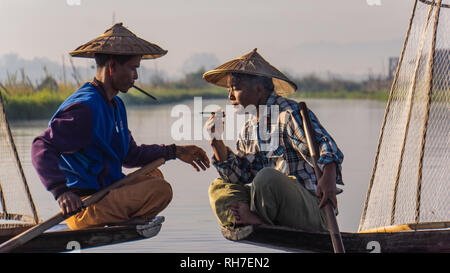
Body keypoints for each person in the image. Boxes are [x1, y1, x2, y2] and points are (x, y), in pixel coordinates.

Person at [31, 23, 210, 230]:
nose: (136, 77)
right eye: (133, 68)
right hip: (85, 205)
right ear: (112, 66)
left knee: (154, 176)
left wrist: (175, 152)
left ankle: (122, 217)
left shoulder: (116, 104)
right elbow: (40, 146)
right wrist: (61, 192)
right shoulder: (85, 109)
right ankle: (110, 221)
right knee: (160, 190)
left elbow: (129, 155)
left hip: (106, 192)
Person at [202, 49, 344, 232]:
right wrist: (216, 142)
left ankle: (257, 221)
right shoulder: (249, 128)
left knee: (267, 178)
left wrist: (329, 178)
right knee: (218, 187)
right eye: (229, 89)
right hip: (275, 210)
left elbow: (327, 145)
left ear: (259, 90)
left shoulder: (288, 114)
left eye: (236, 88)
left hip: (314, 211)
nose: (230, 96)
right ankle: (252, 220)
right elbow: (240, 176)